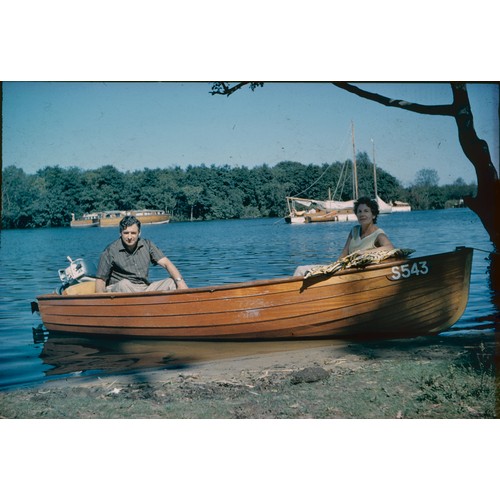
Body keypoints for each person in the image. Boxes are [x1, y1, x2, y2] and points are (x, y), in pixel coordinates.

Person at [293, 196, 394, 276]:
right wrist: (333, 268)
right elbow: (343, 255)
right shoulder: (354, 230)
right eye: (359, 211)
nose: (362, 214)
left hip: (357, 275)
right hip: (344, 269)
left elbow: (390, 248)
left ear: (374, 215)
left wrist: (365, 252)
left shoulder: (378, 234)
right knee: (300, 270)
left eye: (366, 211)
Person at [95, 215, 188, 293]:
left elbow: (166, 263)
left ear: (139, 233)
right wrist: (101, 300)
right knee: (124, 284)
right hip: (119, 289)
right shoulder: (110, 250)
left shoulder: (147, 245)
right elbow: (100, 280)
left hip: (144, 288)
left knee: (171, 282)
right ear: (120, 233)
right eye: (126, 233)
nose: (130, 237)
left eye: (133, 233)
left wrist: (180, 282)